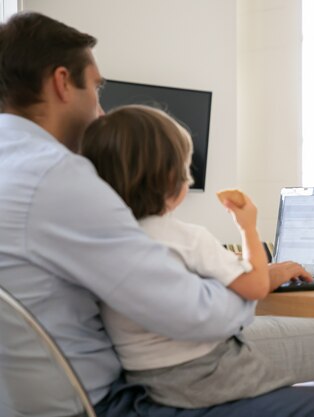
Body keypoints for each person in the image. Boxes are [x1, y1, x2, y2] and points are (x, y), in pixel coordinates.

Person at [0, 11, 314, 417]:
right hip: (100, 401)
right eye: (97, 89)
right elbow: (196, 315)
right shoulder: (61, 179)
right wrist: (251, 287)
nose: (100, 112)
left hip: (19, 398)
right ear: (62, 82)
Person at [80, 104, 296, 408]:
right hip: (204, 378)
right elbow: (256, 285)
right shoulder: (186, 238)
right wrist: (248, 227)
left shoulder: (103, 240)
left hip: (142, 385)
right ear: (173, 179)